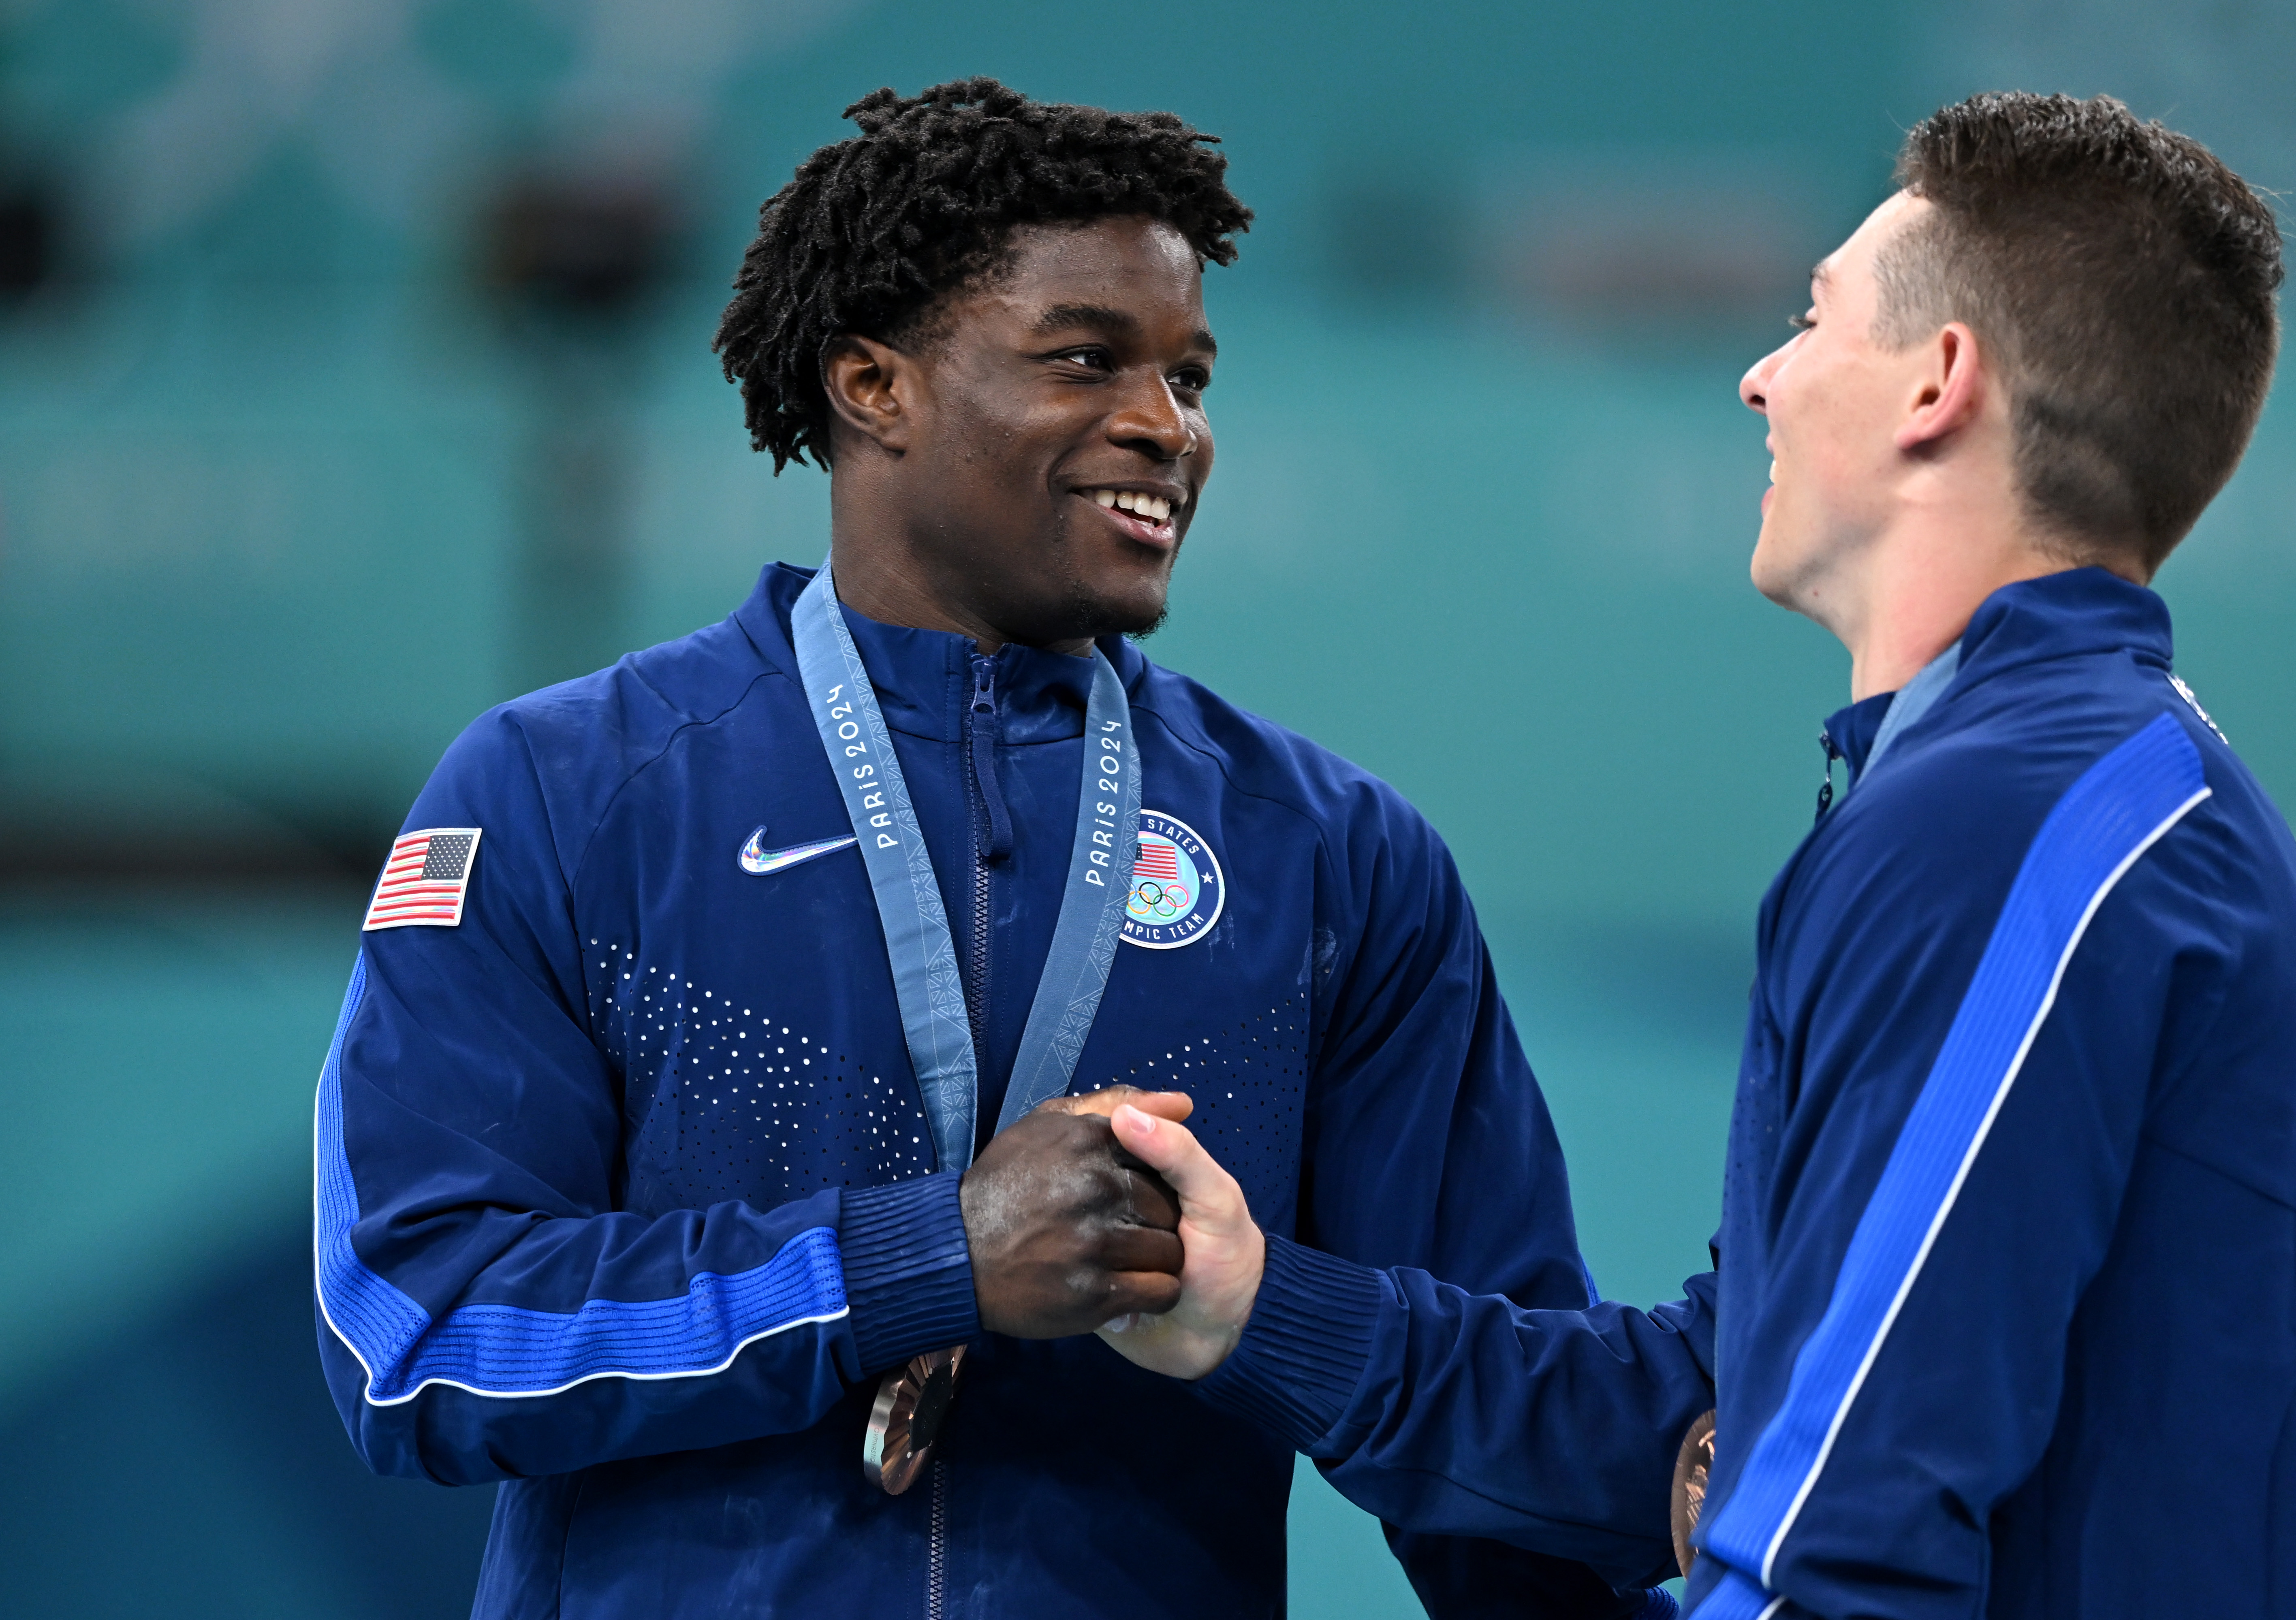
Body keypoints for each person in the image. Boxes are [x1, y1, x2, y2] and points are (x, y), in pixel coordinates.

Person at [312, 79, 1641, 1619]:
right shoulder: (564, 792)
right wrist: (917, 1262)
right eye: (1088, 360)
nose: (1168, 427)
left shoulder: (1332, 861)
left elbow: (1498, 1438)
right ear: (873, 383)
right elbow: (417, 1339)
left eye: (1191, 377)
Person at [1095, 92, 2296, 1620]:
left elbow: (1847, 1534)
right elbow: (1731, 1400)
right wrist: (1257, 1312)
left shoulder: (2008, 823)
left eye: (1814, 316)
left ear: (1936, 385)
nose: (1762, 377)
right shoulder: (2068, 794)